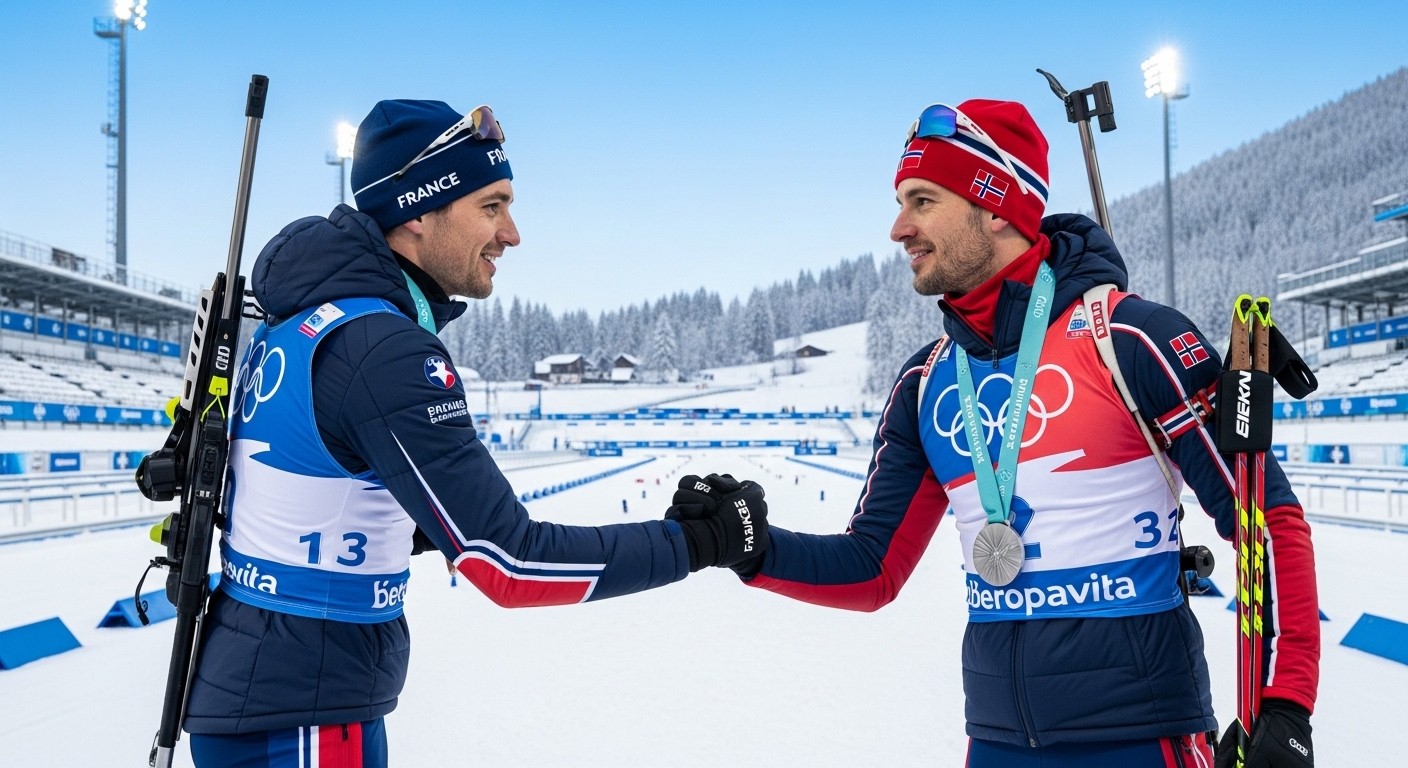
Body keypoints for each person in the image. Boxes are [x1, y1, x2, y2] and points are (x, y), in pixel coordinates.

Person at [674, 100, 1318, 767]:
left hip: (1140, 739)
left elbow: (1266, 518)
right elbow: (872, 568)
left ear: (996, 205)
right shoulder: (927, 382)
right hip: (997, 743)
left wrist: (1286, 704)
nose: (899, 228)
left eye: (923, 201)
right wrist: (751, 548)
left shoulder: (1129, 338)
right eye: (900, 202)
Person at [181, 99, 767, 767]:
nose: (511, 233)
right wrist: (699, 541)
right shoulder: (383, 348)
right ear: (417, 213)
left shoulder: (300, 324)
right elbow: (508, 560)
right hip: (306, 713)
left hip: (274, 691)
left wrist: (426, 521)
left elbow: (307, 489)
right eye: (491, 206)